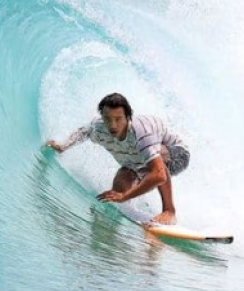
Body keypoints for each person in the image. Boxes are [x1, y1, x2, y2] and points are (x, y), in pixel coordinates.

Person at [46, 93, 190, 225]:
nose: (112, 125)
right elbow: (84, 132)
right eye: (107, 119)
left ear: (128, 117)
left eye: (118, 119)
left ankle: (169, 211)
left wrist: (125, 197)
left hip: (177, 155)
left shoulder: (141, 133)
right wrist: (63, 146)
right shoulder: (99, 128)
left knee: (157, 160)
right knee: (118, 190)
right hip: (137, 164)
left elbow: (159, 174)